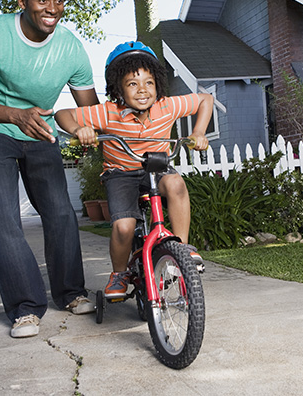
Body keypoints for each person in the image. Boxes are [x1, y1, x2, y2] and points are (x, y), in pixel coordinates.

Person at [0, 0, 98, 339]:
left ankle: (70, 292)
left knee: (59, 211)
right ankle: (25, 307)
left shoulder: (70, 46)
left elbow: (88, 107)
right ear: (22, 2)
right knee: (4, 215)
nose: (52, 8)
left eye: (58, 0)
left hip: (40, 130)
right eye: (42, 0)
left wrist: (90, 126)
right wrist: (14, 116)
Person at [55, 41, 214, 299]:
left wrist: (198, 132)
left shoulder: (167, 106)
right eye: (132, 83)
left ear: (158, 84)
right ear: (119, 88)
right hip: (121, 174)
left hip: (157, 167)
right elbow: (63, 114)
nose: (142, 90)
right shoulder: (108, 113)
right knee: (124, 227)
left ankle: (181, 249)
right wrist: (78, 129)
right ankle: (119, 273)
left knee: (175, 184)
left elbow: (205, 100)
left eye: (149, 82)